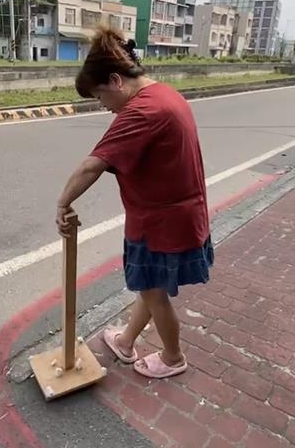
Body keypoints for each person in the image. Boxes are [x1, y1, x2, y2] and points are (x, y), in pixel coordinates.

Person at [55, 26, 214, 379]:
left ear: (115, 81)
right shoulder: (165, 95)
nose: (104, 107)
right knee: (148, 286)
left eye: (100, 97)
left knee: (154, 292)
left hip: (160, 223)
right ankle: (126, 341)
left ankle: (173, 358)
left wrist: (62, 203)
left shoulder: (141, 112)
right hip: (178, 213)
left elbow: (92, 165)